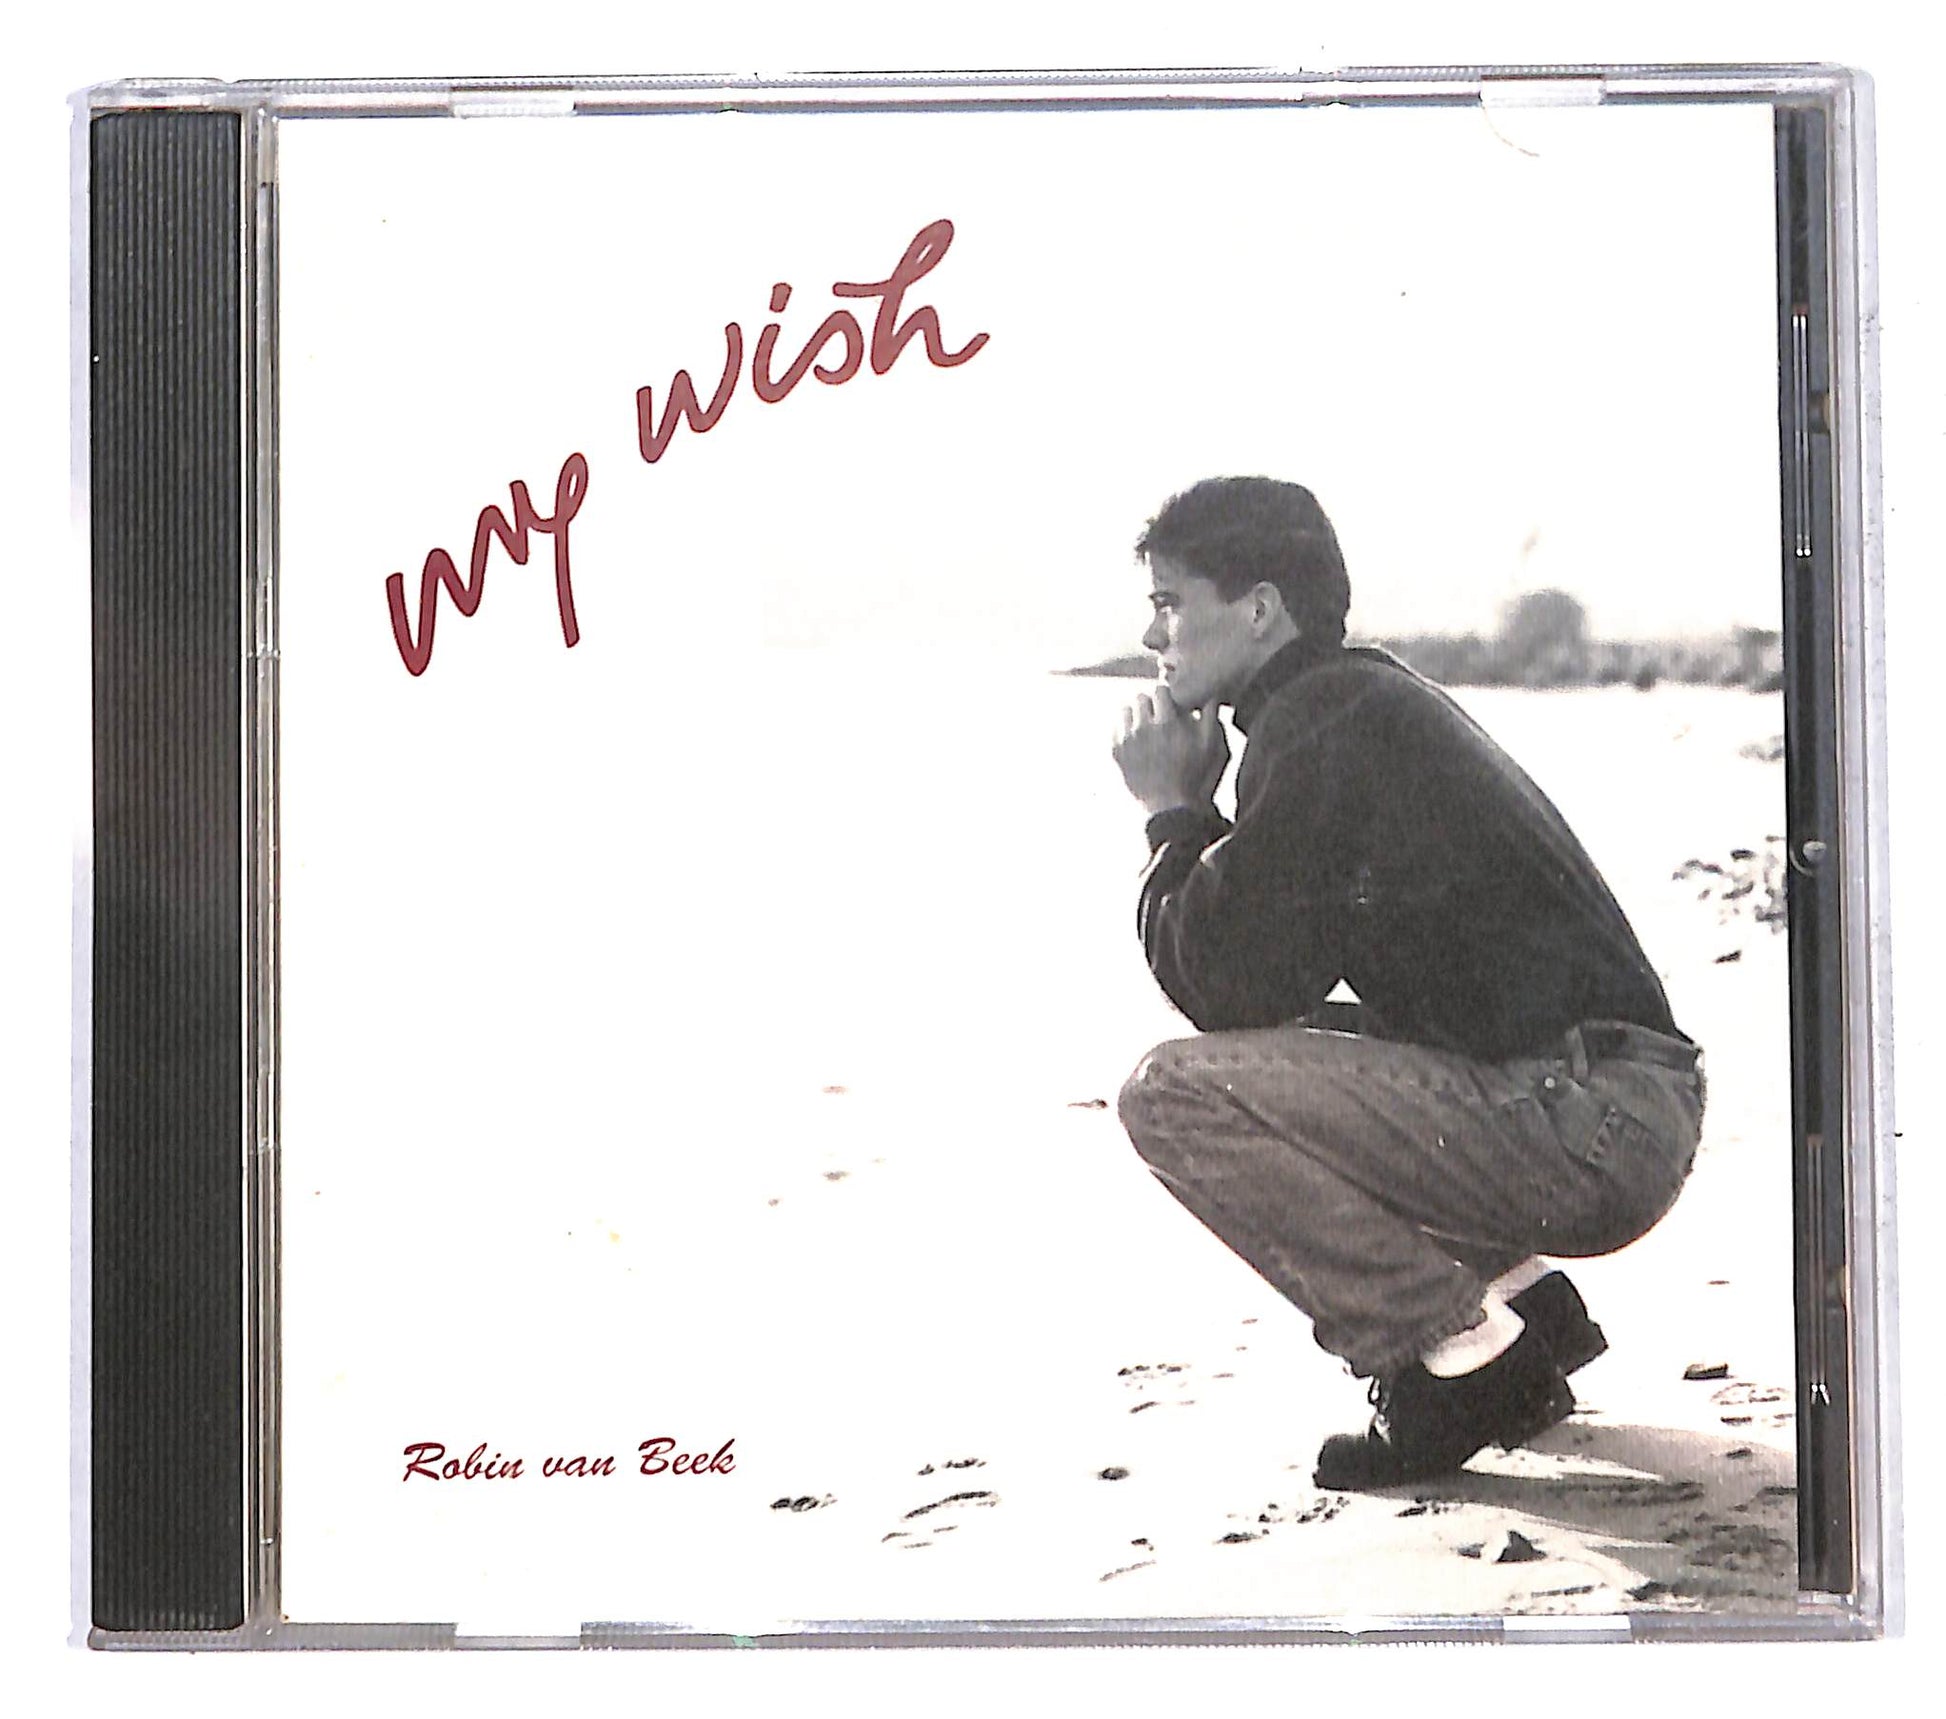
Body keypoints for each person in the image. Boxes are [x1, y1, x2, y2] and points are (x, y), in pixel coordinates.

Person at [1110, 476, 1705, 1490]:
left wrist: (1170, 813)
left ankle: (1463, 1359)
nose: (1149, 634)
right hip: (1614, 1107)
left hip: (1589, 1124)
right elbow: (1263, 988)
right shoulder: (1350, 701)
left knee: (1170, 1097)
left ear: (1258, 608)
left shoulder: (1319, 721)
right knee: (1301, 1046)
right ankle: (1521, 1307)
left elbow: (1218, 986)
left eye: (1170, 602)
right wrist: (1199, 821)